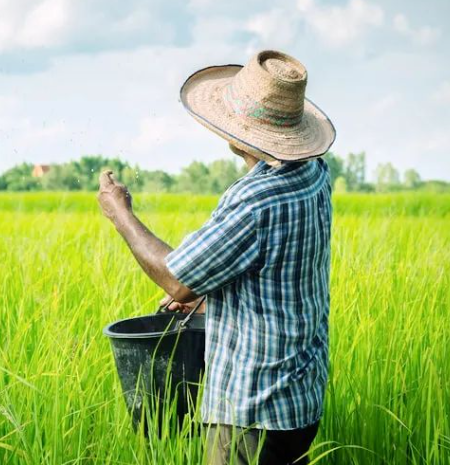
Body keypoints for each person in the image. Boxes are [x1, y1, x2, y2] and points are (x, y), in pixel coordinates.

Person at [97, 49, 336, 465]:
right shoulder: (314, 173)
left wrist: (121, 214)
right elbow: (279, 273)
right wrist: (209, 297)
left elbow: (177, 279)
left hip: (253, 411)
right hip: (299, 400)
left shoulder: (256, 200)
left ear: (242, 130)